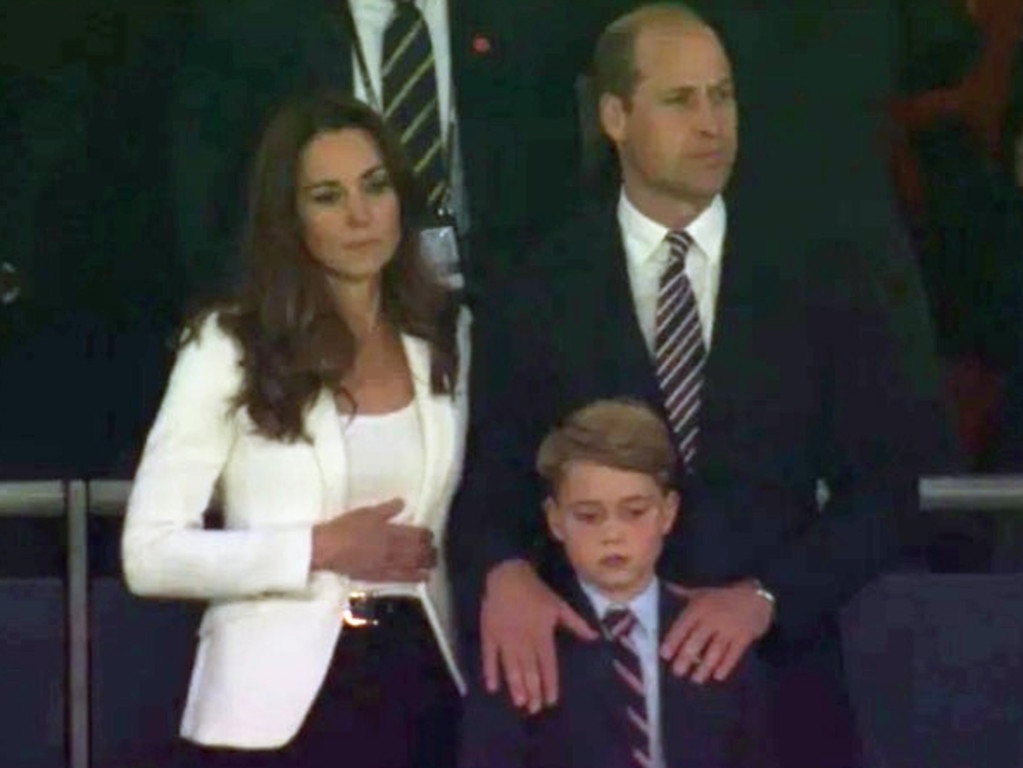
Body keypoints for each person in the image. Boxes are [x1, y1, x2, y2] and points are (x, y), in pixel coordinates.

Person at [447, 4, 947, 766]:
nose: (711, 123)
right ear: (614, 114)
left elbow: (884, 488)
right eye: (680, 100)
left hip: (776, 691)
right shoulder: (538, 286)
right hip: (592, 702)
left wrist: (767, 598)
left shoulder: (819, 275)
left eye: (723, 96)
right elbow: (490, 486)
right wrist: (502, 571)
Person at [121, 92, 470, 768]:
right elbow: (149, 552)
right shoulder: (228, 344)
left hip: (422, 679)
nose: (360, 216)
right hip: (274, 707)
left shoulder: (444, 338)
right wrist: (316, 548)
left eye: (375, 187)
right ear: (290, 218)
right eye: (327, 196)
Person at [169, 0, 620, 304]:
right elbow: (213, 198)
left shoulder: (529, 17)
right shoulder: (251, 25)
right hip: (316, 313)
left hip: (505, 311)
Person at [459, 399, 773, 768]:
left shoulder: (715, 638)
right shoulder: (527, 644)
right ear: (555, 519)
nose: (612, 533)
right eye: (589, 515)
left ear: (667, 513)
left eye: (634, 512)